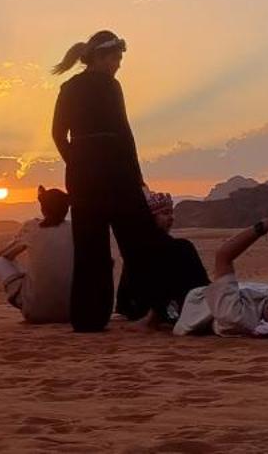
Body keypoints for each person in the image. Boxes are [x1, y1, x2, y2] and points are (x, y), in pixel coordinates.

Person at [51, 30, 173, 332]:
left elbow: (57, 134)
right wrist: (137, 177)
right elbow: (123, 131)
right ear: (100, 57)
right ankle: (156, 306)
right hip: (115, 171)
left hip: (82, 176)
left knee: (89, 244)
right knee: (138, 239)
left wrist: (76, 163)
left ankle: (88, 318)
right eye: (115, 58)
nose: (117, 65)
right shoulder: (109, 86)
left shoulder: (68, 87)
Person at [173, 208, 268, 339]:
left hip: (189, 300)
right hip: (221, 287)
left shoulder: (237, 316)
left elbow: (223, 256)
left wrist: (266, 225)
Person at [115, 190, 209, 326]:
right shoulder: (172, 248)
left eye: (171, 213)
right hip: (153, 310)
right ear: (151, 218)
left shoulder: (166, 246)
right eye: (165, 213)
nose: (171, 218)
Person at [0, 186, 75, 324]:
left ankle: (29, 298)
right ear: (66, 208)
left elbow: (4, 254)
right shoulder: (75, 229)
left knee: (0, 261)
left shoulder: (32, 227)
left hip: (35, 312)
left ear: (43, 208)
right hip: (75, 310)